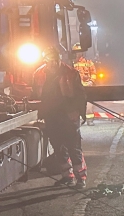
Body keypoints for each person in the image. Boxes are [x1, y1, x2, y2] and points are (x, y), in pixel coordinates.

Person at [38, 46, 88, 188]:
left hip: (68, 115)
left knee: (74, 148)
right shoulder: (40, 74)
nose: (53, 63)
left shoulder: (71, 73)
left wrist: (79, 113)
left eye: (55, 60)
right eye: (50, 60)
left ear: (59, 59)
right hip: (52, 116)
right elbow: (37, 95)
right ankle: (67, 177)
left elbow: (80, 95)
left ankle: (81, 178)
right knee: (59, 148)